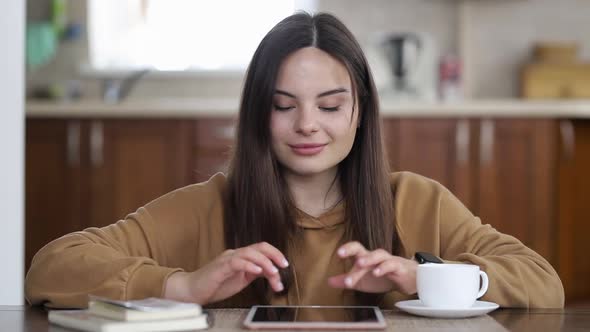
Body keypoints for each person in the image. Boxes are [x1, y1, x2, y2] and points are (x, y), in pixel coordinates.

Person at [25, 12, 564, 309]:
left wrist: (422, 277)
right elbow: (52, 267)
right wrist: (179, 287)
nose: (308, 124)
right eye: (284, 106)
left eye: (330, 105)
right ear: (259, 114)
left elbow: (543, 283)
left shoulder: (418, 201)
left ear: (360, 114)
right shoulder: (206, 207)